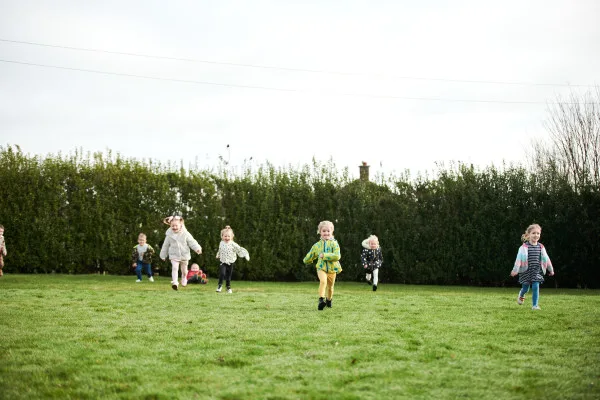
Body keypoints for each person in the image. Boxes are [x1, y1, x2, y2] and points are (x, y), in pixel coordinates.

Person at [510, 224, 555, 310]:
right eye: (533, 233)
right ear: (528, 235)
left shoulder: (541, 247)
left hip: (536, 272)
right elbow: (518, 260)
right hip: (525, 272)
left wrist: (551, 270)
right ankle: (521, 294)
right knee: (525, 288)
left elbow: (546, 259)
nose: (536, 235)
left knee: (536, 287)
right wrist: (515, 270)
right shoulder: (523, 247)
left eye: (538, 233)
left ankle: (535, 305)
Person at [303, 220, 342, 310]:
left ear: (332, 231)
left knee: (330, 287)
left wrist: (324, 255)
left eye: (328, 231)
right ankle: (321, 300)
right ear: (320, 232)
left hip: (332, 269)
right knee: (323, 281)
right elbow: (311, 254)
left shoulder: (334, 244)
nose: (326, 233)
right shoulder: (317, 245)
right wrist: (306, 260)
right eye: (324, 231)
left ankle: (329, 300)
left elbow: (337, 256)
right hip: (321, 268)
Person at [160, 216, 202, 291]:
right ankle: (175, 282)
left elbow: (192, 241)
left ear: (181, 224)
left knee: (184, 271)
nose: (174, 227)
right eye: (172, 226)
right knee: (175, 267)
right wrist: (163, 255)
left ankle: (184, 277)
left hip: (184, 255)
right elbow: (165, 245)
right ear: (170, 225)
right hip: (174, 254)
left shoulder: (185, 233)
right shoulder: (169, 235)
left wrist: (197, 248)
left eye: (176, 225)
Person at [215, 226, 249, 294]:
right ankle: (219, 286)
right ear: (222, 236)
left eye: (228, 236)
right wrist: (218, 254)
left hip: (231, 262)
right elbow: (220, 249)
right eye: (225, 236)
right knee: (222, 273)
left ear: (232, 236)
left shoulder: (233, 244)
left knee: (228, 276)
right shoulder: (221, 243)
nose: (227, 238)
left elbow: (239, 249)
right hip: (223, 261)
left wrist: (245, 254)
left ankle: (228, 287)